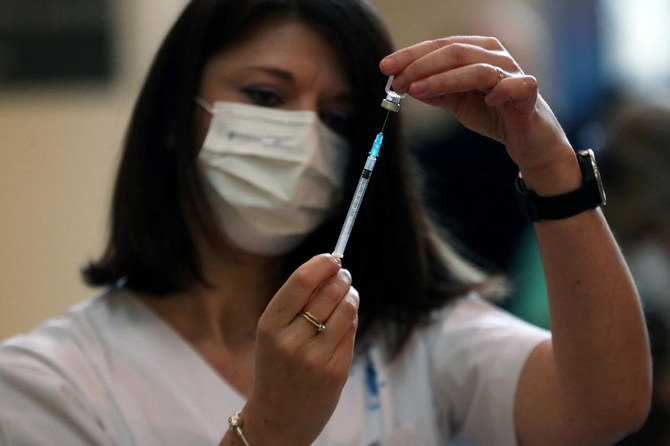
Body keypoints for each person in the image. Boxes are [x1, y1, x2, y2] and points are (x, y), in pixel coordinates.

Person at [0, 1, 652, 445]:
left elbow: (605, 406)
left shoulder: (418, 339)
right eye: (265, 95)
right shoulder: (49, 382)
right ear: (176, 114)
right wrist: (271, 429)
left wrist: (551, 167)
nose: (306, 136)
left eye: (339, 116)